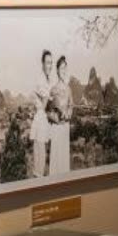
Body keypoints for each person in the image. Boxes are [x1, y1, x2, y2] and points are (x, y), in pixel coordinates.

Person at [47, 56, 73, 176]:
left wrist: (68, 114)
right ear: (57, 70)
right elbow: (48, 111)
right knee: (56, 158)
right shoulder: (53, 90)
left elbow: (71, 105)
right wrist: (56, 118)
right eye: (62, 68)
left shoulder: (69, 89)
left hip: (65, 127)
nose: (64, 70)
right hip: (56, 128)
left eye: (65, 68)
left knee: (64, 159)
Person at [30, 50, 54, 178]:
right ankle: (38, 177)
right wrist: (48, 99)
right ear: (43, 64)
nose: (49, 66)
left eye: (51, 63)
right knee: (39, 150)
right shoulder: (41, 79)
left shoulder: (48, 80)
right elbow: (44, 103)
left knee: (40, 150)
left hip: (43, 116)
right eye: (47, 62)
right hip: (41, 116)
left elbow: (47, 99)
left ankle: (38, 176)